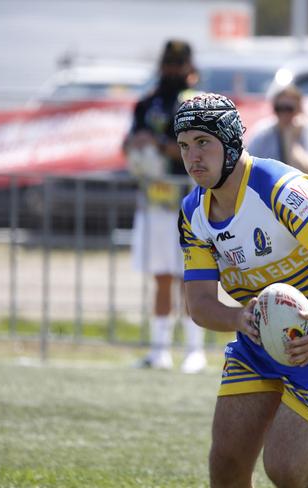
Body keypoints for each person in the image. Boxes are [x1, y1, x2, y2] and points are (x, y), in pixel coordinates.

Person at [175, 93, 308, 487]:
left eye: (204, 142)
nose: (192, 157)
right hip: (259, 336)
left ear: (232, 143)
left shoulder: (278, 189)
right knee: (227, 464)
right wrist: (240, 317)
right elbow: (200, 304)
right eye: (185, 146)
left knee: (285, 468)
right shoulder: (193, 212)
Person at [123, 39, 207, 373]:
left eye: (179, 64)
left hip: (189, 202)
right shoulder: (146, 103)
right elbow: (127, 143)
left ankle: (193, 350)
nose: (172, 70)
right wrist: (137, 143)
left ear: (189, 67)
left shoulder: (195, 104)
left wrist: (158, 143)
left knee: (191, 276)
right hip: (155, 201)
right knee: (161, 276)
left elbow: (195, 149)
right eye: (169, 64)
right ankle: (159, 350)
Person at [248, 84, 308, 209]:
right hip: (277, 207)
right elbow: (247, 166)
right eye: (279, 108)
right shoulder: (263, 132)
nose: (283, 114)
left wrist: (290, 140)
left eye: (288, 108)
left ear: (300, 109)